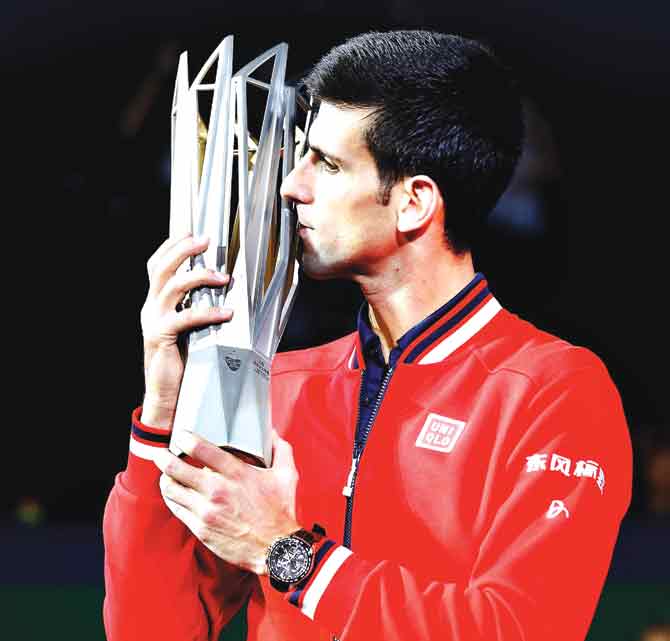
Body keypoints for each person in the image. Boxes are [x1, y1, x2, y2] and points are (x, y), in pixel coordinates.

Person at [103, 30, 632, 641]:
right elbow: (148, 631)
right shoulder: (286, 384)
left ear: (414, 203)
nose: (291, 186)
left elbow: (515, 628)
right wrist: (162, 417)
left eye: (326, 164)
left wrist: (286, 552)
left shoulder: (553, 392)